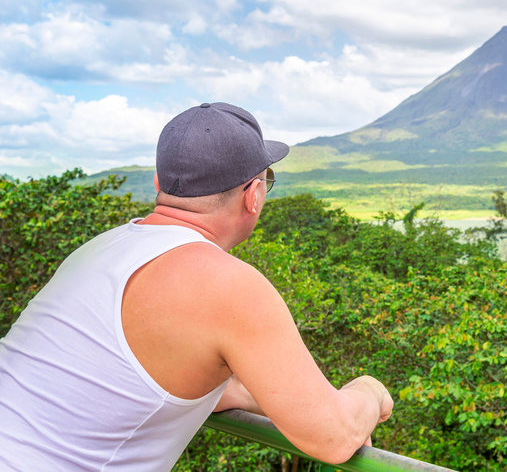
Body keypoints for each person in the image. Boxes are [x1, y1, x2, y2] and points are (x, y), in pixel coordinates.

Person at [0, 102, 393, 470]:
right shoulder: (226, 284)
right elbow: (334, 437)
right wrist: (370, 391)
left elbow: (124, 384)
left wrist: (274, 399)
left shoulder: (102, 248)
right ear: (253, 196)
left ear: (160, 181)